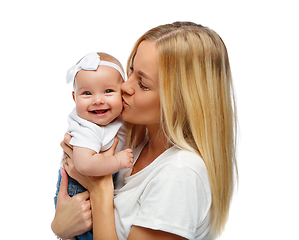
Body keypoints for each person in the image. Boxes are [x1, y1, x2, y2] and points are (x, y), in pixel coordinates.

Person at [52, 21, 238, 240]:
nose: (125, 87)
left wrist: (99, 189)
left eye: (143, 83)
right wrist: (60, 228)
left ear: (180, 100)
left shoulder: (180, 174)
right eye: (131, 71)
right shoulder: (134, 141)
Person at [54, 52, 134, 240]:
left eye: (108, 91)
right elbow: (83, 165)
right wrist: (116, 160)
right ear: (74, 98)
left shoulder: (115, 119)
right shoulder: (86, 128)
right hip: (78, 192)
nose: (98, 100)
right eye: (87, 93)